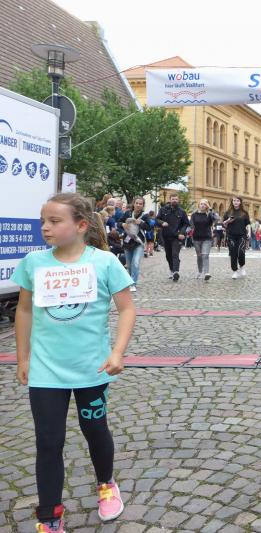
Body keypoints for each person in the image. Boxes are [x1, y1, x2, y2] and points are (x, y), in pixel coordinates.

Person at [12, 193, 136, 533]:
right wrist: (23, 357)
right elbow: (24, 310)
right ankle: (50, 516)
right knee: (48, 441)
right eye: (43, 221)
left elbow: (127, 309)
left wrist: (117, 352)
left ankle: (106, 483)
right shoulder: (33, 262)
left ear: (81, 226)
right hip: (46, 371)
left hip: (91, 369)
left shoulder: (104, 263)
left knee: (95, 430)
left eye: (54, 221)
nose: (45, 227)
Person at [117, 197, 149, 292]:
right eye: (137, 203)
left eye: (140, 204)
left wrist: (141, 223)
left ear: (143, 205)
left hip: (138, 242)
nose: (138, 205)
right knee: (130, 265)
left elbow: (149, 227)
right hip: (127, 241)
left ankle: (132, 283)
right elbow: (118, 222)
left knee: (135, 262)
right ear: (133, 204)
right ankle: (130, 280)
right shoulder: (127, 213)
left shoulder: (145, 216)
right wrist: (123, 224)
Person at [156, 193, 190, 281]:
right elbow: (157, 219)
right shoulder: (163, 210)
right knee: (168, 255)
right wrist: (162, 223)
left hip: (177, 236)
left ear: (178, 200)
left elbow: (186, 224)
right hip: (166, 235)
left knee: (175, 254)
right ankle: (171, 270)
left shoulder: (182, 211)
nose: (174, 200)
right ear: (170, 199)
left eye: (176, 199)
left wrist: (182, 233)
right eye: (173, 199)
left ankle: (176, 272)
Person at [223, 196, 251, 279]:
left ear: (240, 202)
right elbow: (224, 224)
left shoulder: (244, 213)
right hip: (231, 235)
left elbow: (248, 223)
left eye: (237, 200)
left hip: (242, 235)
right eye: (234, 200)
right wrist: (228, 221)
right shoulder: (228, 212)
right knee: (233, 253)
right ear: (232, 202)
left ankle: (242, 266)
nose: (235, 202)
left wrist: (249, 232)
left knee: (241, 252)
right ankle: (235, 271)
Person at [190, 199, 218, 281]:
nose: (203, 205)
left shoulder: (209, 214)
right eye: (201, 204)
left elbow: (217, 219)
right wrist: (189, 230)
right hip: (196, 238)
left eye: (205, 204)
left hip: (207, 238)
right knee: (199, 256)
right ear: (199, 205)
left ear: (207, 206)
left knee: (205, 255)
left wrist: (210, 210)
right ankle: (200, 271)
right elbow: (191, 224)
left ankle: (206, 273)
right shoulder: (194, 215)